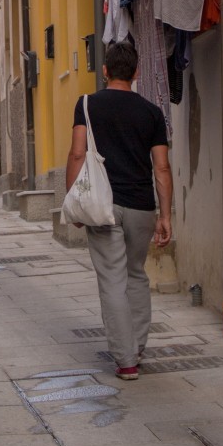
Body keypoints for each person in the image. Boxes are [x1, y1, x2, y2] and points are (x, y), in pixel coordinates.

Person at [65, 39, 173, 381]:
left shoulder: (86, 105)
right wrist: (166, 215)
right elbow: (162, 168)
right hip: (142, 206)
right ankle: (136, 346)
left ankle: (126, 360)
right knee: (137, 274)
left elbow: (77, 153)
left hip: (103, 204)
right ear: (136, 72)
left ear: (106, 71)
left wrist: (75, 202)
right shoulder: (152, 112)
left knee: (113, 279)